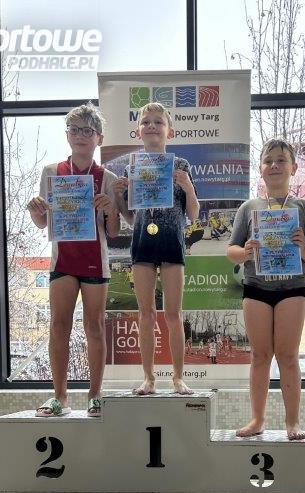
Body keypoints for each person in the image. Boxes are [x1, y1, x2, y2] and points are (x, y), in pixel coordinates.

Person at [227, 138, 305, 440]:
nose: (274, 165)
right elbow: (231, 250)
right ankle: (257, 420)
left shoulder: (304, 209)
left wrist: (302, 247)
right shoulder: (249, 208)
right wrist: (246, 251)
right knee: (260, 356)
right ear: (260, 169)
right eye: (268, 160)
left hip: (291, 289)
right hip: (256, 287)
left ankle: (292, 422)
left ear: (293, 168)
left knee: (288, 356)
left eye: (281, 160)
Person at [27, 102, 119, 418]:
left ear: (99, 138)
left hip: (95, 261)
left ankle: (95, 395)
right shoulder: (52, 172)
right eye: (75, 130)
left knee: (94, 326)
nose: (81, 135)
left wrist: (111, 209)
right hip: (63, 261)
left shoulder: (107, 177)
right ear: (67, 135)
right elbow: (43, 223)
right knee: (58, 325)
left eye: (87, 131)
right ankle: (60, 397)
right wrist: (35, 210)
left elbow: (113, 231)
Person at [114, 102, 200, 395]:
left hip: (172, 242)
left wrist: (188, 188)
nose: (152, 126)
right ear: (138, 131)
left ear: (169, 131)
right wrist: (120, 197)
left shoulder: (181, 166)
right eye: (146, 122)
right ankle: (149, 378)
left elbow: (193, 214)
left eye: (158, 122)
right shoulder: (132, 168)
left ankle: (178, 378)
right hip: (142, 243)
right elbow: (130, 219)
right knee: (146, 314)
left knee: (173, 314)